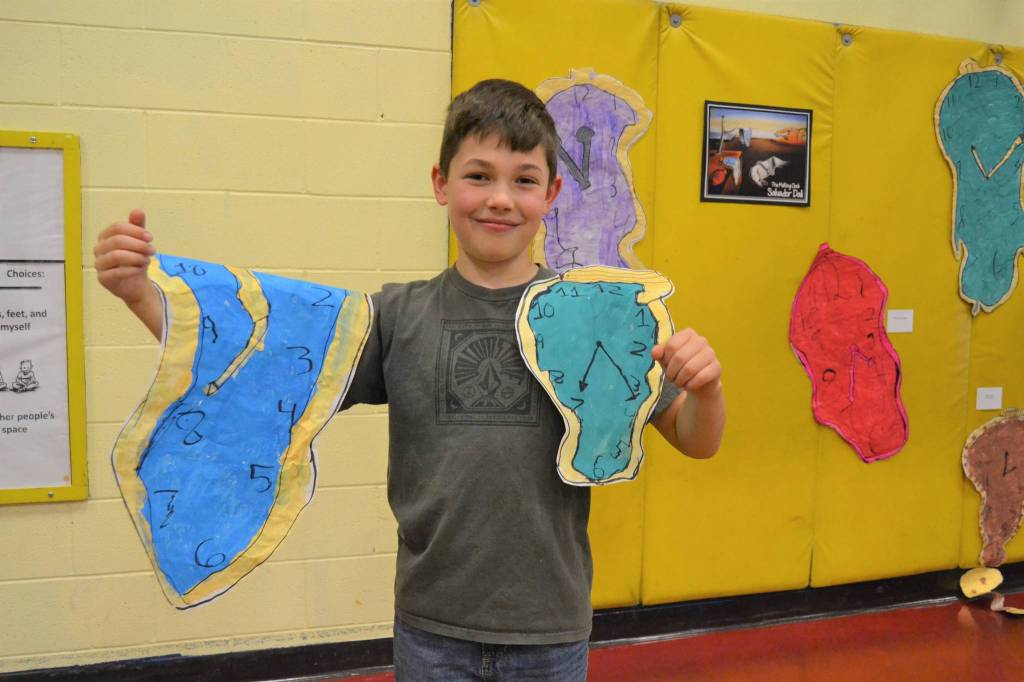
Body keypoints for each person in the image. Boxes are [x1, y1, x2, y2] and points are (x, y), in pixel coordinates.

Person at [94, 78, 725, 681]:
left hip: (549, 630)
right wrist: (140, 295)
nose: (500, 198)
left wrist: (705, 390)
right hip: (430, 628)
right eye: (478, 176)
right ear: (441, 185)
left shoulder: (602, 317)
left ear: (552, 194)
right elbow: (261, 363)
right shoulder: (398, 315)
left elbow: (696, 439)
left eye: (523, 180)